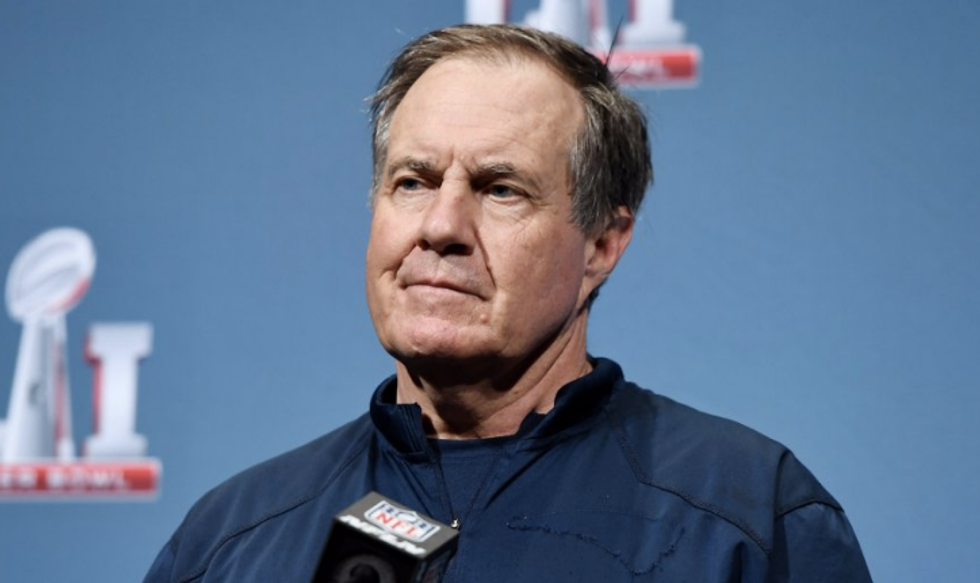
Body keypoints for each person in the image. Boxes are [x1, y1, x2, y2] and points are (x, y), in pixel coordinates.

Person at [144, 24, 872, 582]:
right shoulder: (231, 540)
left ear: (602, 244)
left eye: (500, 189)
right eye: (413, 181)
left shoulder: (744, 517)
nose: (441, 226)